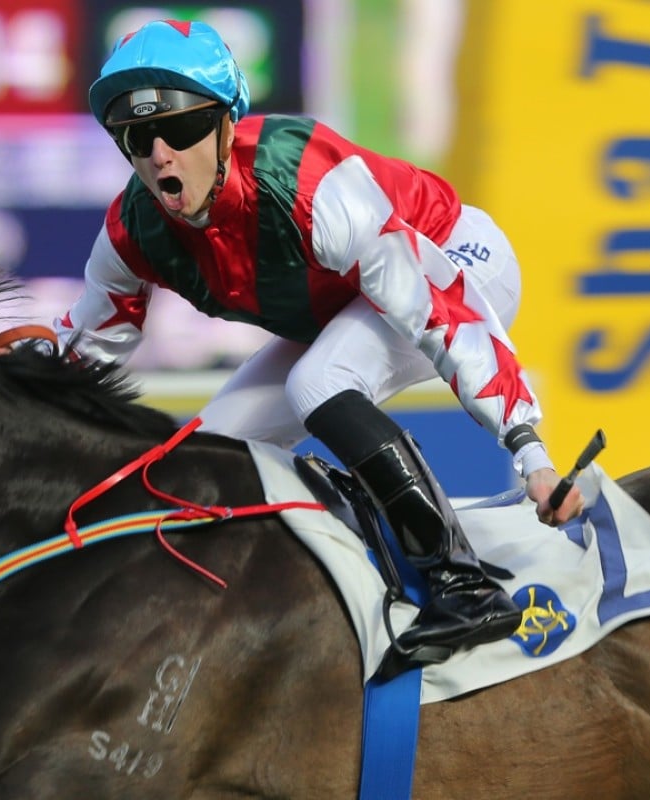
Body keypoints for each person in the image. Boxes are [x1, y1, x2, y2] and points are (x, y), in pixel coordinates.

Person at [55, 18, 583, 672]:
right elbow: (76, 360)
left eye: (183, 129)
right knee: (205, 457)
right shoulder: (133, 228)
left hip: (456, 262)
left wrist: (528, 449)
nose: (160, 155)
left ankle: (463, 585)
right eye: (138, 138)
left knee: (318, 383)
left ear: (226, 126)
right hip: (347, 302)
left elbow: (438, 311)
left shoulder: (307, 186)